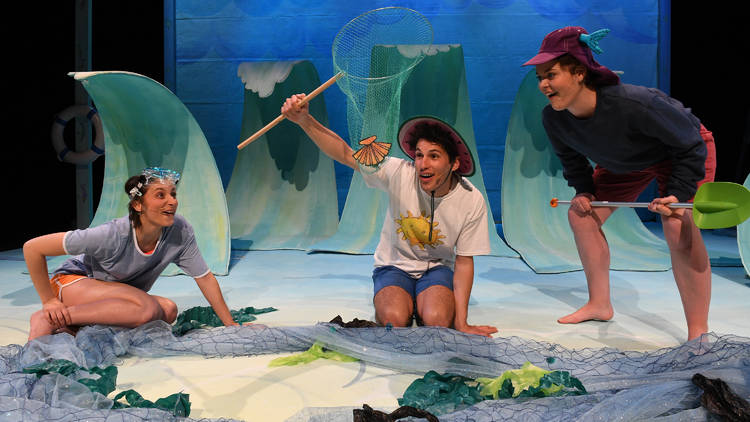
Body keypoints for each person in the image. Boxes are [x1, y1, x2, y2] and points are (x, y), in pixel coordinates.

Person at [524, 27, 715, 341]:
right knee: (580, 215)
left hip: (682, 152)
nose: (543, 84)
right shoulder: (554, 118)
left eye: (551, 74)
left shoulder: (635, 103)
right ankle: (600, 304)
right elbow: (572, 162)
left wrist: (677, 194)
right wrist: (584, 191)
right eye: (539, 77)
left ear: (579, 73)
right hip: (628, 162)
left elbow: (690, 145)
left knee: (677, 225)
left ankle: (698, 331)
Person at [282, 94, 498, 337]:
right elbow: (345, 153)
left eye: (434, 156)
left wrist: (462, 323)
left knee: (437, 322)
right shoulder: (398, 171)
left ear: (454, 164)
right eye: (418, 155)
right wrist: (304, 120)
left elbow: (464, 261)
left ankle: (426, 301)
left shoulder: (471, 198)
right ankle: (405, 298)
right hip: (393, 267)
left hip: (437, 269)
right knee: (393, 322)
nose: (422, 164)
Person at [26, 167, 237, 341]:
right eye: (160, 195)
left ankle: (73, 327)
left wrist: (231, 325)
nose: (172, 201)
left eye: (173, 194)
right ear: (138, 205)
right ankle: (52, 318)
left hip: (115, 294)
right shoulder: (112, 234)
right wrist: (49, 301)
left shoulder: (179, 231)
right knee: (145, 307)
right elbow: (33, 248)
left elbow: (205, 278)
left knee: (168, 310)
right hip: (75, 281)